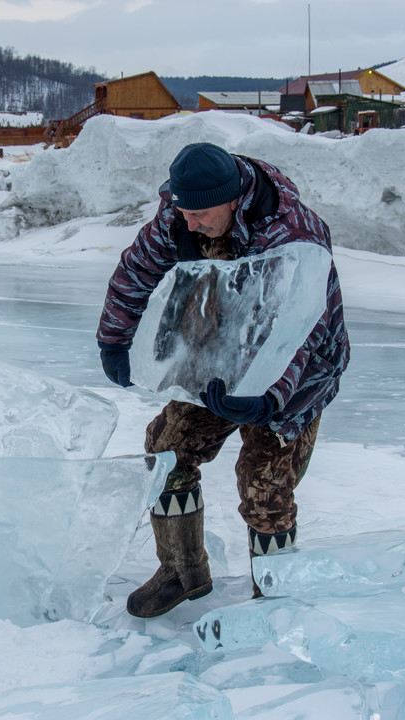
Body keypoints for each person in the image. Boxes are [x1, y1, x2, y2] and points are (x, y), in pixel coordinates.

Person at [96, 142, 349, 618]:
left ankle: (274, 599)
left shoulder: (294, 233)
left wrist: (269, 400)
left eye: (202, 213)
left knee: (264, 484)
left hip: (295, 374)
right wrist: (114, 339)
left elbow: (304, 328)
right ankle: (181, 573)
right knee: (167, 448)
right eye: (182, 210)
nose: (189, 223)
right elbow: (136, 271)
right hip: (217, 356)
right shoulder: (181, 217)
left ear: (233, 198)